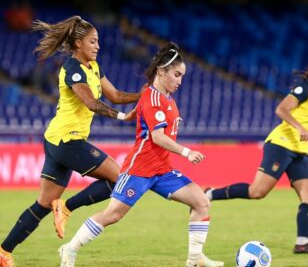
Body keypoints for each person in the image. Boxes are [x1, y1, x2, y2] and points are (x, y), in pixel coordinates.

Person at [58, 42, 224, 267]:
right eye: (176, 75)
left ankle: (195, 260)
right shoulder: (152, 98)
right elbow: (157, 137)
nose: (179, 81)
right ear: (161, 71)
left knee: (201, 202)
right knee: (112, 215)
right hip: (139, 170)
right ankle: (69, 249)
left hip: (162, 171)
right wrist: (186, 152)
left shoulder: (167, 99)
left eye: (182, 76)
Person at [0, 16, 146, 267]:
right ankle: (67, 207)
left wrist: (141, 96)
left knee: (43, 204)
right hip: (67, 141)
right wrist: (123, 116)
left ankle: (3, 252)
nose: (98, 45)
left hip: (56, 140)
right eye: (93, 41)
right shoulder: (72, 69)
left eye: (98, 41)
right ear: (78, 43)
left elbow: (115, 95)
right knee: (118, 177)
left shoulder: (93, 66)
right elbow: (90, 102)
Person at [206, 54, 308, 254]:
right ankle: (210, 194)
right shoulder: (304, 89)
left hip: (300, 151)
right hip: (281, 145)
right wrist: (299, 128)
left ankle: (302, 243)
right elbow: (281, 109)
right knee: (257, 192)